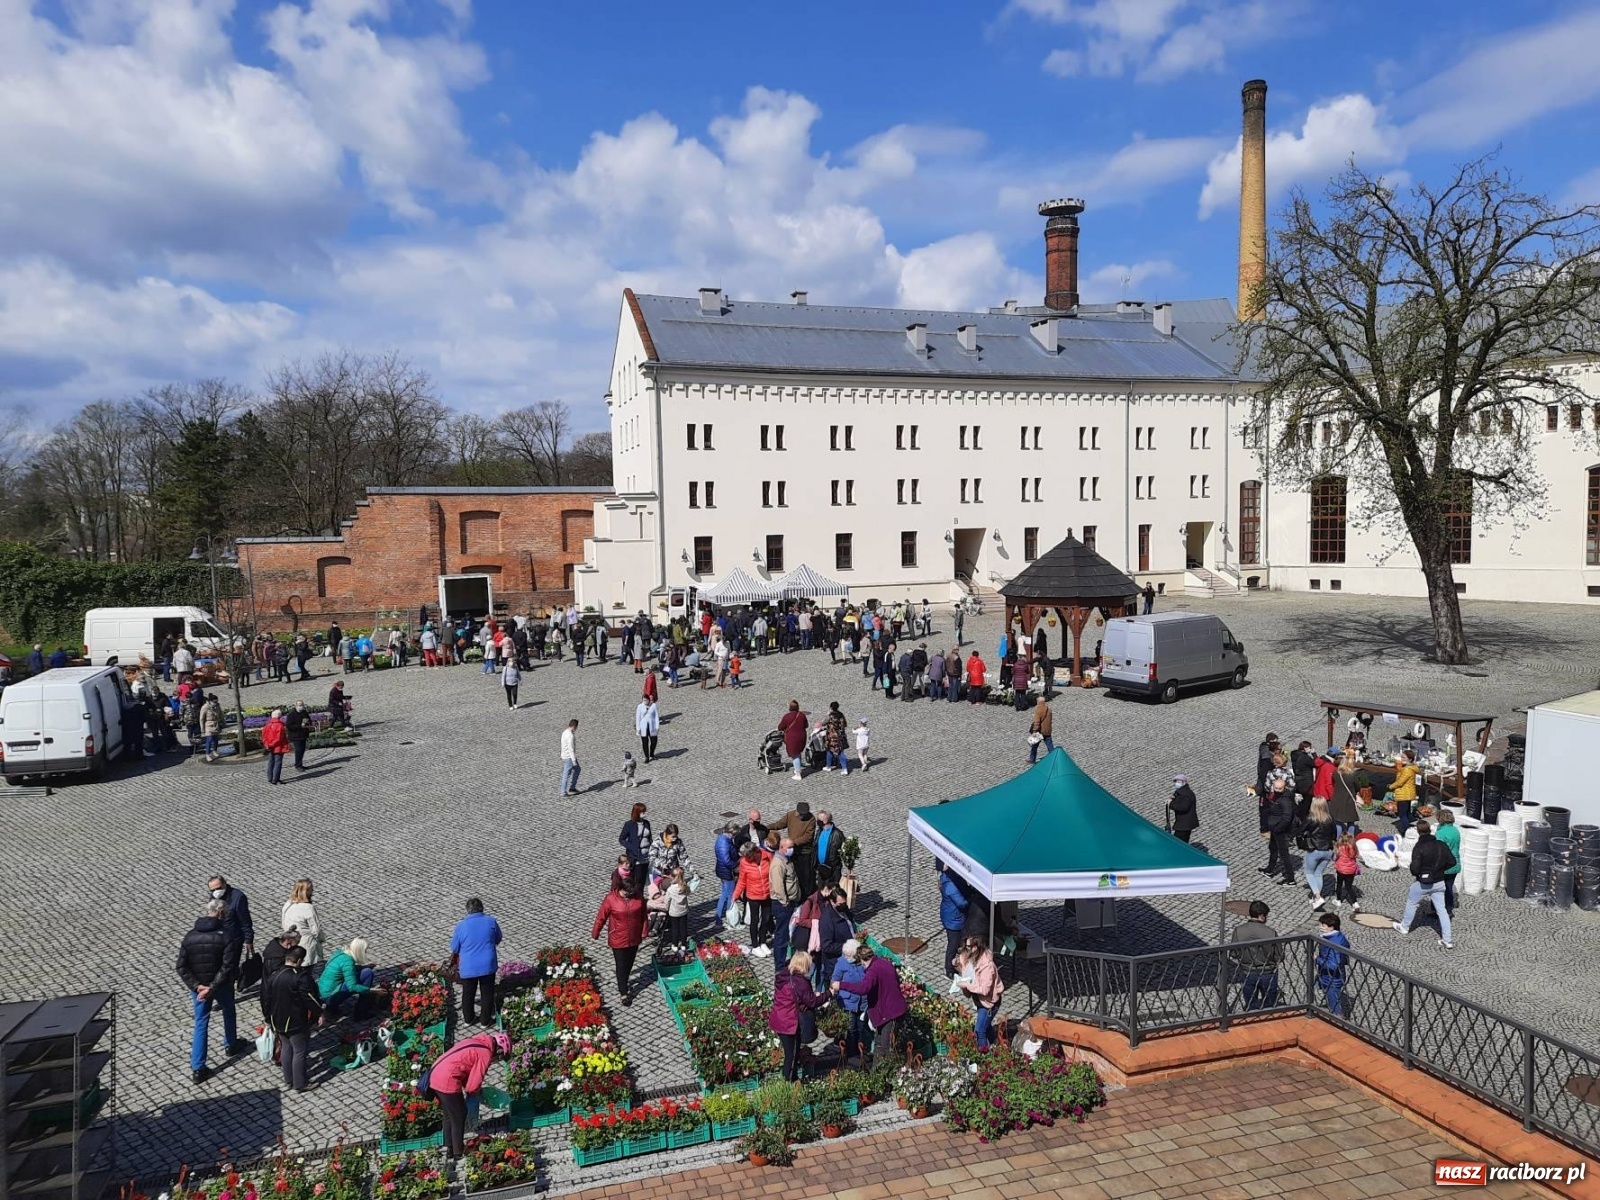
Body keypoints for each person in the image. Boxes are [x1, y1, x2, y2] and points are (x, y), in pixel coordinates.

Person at [177, 898, 252, 1083]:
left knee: (201, 1024)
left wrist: (197, 987)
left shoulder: (190, 936)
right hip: (221, 986)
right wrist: (212, 987)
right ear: (221, 913)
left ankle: (197, 1068)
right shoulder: (226, 936)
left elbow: (181, 967)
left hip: (199, 989)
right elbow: (227, 966)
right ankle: (231, 1043)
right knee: (229, 1011)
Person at [429, 1031, 512, 1162]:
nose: (497, 1060)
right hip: (447, 1079)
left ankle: (449, 1148)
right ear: (499, 1050)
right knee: (459, 1115)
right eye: (500, 1057)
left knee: (448, 1115)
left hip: (434, 1075)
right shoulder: (485, 1053)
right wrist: (477, 1093)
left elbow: (463, 1068)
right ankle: (458, 1152)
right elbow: (473, 1086)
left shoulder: (476, 1042)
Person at [831, 943, 908, 1067]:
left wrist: (841, 985)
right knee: (879, 1043)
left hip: (890, 1013)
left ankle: (886, 1075)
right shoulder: (883, 962)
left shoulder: (873, 970)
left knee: (885, 1046)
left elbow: (863, 988)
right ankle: (876, 1073)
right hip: (888, 1010)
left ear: (863, 960)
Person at [264, 945, 323, 1092]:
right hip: (295, 1021)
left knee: (286, 1047)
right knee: (299, 1051)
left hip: (277, 1019)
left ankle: (289, 1080)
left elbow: (266, 998)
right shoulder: (299, 977)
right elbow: (310, 998)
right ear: (299, 961)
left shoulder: (274, 975)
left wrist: (267, 1018)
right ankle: (300, 1083)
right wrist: (319, 1013)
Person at [1393, 819, 1455, 948]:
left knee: (1412, 903)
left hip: (1423, 882)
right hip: (1439, 882)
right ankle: (1447, 940)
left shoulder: (1419, 847)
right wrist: (1440, 870)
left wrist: (1420, 873)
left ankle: (1404, 927)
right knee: (1442, 910)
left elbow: (1414, 868)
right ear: (1430, 830)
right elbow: (1452, 862)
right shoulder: (1441, 845)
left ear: (1418, 832)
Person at [771, 950, 830, 1081]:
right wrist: (829, 993)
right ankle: (790, 1082)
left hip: (779, 1018)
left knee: (791, 1052)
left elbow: (795, 997)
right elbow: (813, 1002)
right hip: (789, 1023)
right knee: (791, 1055)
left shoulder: (784, 975)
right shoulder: (800, 982)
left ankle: (791, 1079)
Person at [592, 881, 648, 1004]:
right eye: (627, 892)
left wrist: (644, 931)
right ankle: (623, 992)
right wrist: (596, 932)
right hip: (618, 938)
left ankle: (624, 980)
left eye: (631, 892)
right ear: (621, 889)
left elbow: (643, 915)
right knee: (621, 965)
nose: (629, 894)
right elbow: (601, 916)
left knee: (629, 963)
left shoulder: (638, 897)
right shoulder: (611, 899)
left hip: (634, 937)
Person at [451, 897, 504, 1025]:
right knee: (487, 992)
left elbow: (454, 947)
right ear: (482, 908)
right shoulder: (491, 921)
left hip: (469, 966)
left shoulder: (461, 926)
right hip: (487, 964)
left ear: (467, 910)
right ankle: (485, 1020)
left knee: (468, 993)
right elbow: (498, 938)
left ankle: (469, 1019)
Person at [955, 935, 1005, 1049]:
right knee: (986, 1026)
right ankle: (995, 1044)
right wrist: (959, 965)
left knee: (979, 1030)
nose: (966, 949)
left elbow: (984, 990)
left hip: (988, 1003)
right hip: (980, 1000)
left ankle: (983, 1054)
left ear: (976, 948)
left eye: (968, 947)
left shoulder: (987, 966)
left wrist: (967, 985)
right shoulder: (973, 958)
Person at [1230, 900, 1281, 1011]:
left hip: (1247, 971)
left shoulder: (1238, 930)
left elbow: (1234, 953)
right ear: (1262, 916)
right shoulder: (1271, 932)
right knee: (1270, 1005)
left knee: (1250, 1005)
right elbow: (1280, 956)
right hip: (1268, 971)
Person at [831, 939, 870, 1065]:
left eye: (850, 955)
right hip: (848, 1002)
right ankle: (852, 1052)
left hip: (863, 1001)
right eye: (846, 955)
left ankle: (862, 1049)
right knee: (851, 1028)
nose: (848, 957)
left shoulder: (862, 962)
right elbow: (834, 980)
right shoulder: (841, 963)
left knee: (861, 1027)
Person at [318, 938, 377, 1018]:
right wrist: (372, 990)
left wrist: (362, 967)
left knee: (364, 970)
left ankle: (332, 1008)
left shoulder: (340, 953)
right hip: (330, 996)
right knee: (367, 973)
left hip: (322, 992)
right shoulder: (348, 961)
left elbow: (346, 969)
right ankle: (361, 1011)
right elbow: (352, 987)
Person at [208, 875, 255, 974]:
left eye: (219, 888)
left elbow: (245, 920)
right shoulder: (214, 896)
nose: (216, 892)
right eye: (213, 890)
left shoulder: (238, 897)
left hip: (233, 939)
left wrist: (248, 939)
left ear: (225, 884)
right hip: (217, 938)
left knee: (231, 966)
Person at [733, 842, 774, 956]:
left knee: (766, 919)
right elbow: (742, 880)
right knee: (754, 921)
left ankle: (762, 942)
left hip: (767, 894)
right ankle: (755, 945)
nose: (747, 859)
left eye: (749, 856)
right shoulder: (744, 863)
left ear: (755, 852)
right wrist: (735, 895)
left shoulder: (767, 857)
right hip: (753, 896)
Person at [769, 837, 802, 969]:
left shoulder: (786, 860)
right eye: (789, 847)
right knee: (781, 935)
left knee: (788, 932)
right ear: (782, 848)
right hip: (782, 904)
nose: (791, 850)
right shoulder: (778, 864)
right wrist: (785, 902)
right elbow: (778, 887)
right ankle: (780, 965)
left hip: (790, 902)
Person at [777, 800, 818, 896]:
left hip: (804, 853)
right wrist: (767, 827)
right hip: (792, 852)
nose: (802, 816)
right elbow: (779, 824)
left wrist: (793, 842)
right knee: (792, 874)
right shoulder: (790, 815)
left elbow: (808, 837)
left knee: (805, 877)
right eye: (801, 814)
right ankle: (795, 895)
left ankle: (805, 897)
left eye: (804, 814)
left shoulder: (811, 819)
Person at [1303, 796, 1337, 909]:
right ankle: (1316, 898)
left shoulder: (1310, 819)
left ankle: (1317, 897)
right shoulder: (1330, 819)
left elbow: (1299, 831)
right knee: (1318, 874)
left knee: (1309, 873)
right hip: (1328, 851)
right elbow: (1334, 835)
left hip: (1314, 850)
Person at [281, 878, 324, 967]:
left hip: (292, 944)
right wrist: (321, 939)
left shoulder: (288, 904)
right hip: (307, 944)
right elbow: (316, 931)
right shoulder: (308, 908)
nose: (313, 891)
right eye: (311, 889)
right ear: (306, 892)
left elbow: (284, 923)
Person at [258, 927, 301, 1015]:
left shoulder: (274, 948)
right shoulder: (277, 960)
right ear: (288, 943)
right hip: (276, 998)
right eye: (294, 945)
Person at [1261, 779, 1296, 885]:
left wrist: (1278, 828)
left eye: (1279, 788)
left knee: (1284, 853)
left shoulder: (1285, 800)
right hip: (1275, 828)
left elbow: (1287, 817)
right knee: (1272, 848)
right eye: (1276, 788)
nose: (1277, 790)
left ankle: (1290, 878)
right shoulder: (1278, 796)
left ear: (1284, 788)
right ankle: (1270, 869)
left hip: (1280, 830)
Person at [1315, 912, 1350, 1017]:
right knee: (1313, 987)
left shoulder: (1334, 942)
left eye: (1323, 925)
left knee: (1335, 1006)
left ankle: (1339, 1021)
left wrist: (1317, 959)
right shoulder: (1337, 936)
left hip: (1332, 979)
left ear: (1331, 927)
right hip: (1327, 976)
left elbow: (1333, 965)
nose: (1320, 927)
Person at [939, 864, 970, 976]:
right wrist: (971, 900)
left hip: (952, 915)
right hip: (953, 919)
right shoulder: (950, 886)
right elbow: (962, 903)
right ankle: (949, 969)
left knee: (959, 942)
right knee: (953, 943)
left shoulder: (948, 878)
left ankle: (960, 963)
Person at [619, 803, 653, 895]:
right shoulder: (629, 824)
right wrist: (632, 848)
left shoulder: (646, 823)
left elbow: (649, 837)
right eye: (642, 812)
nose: (644, 814)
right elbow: (622, 839)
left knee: (642, 881)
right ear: (637, 812)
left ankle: (640, 899)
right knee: (637, 880)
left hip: (646, 856)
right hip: (636, 857)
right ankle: (636, 899)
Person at [714, 822, 742, 928]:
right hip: (726, 872)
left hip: (723, 871)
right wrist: (736, 865)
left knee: (725, 894)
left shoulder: (724, 839)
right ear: (730, 832)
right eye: (734, 834)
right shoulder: (723, 842)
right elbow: (726, 861)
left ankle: (720, 918)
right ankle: (726, 918)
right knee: (728, 895)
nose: (734, 836)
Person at [1435, 807, 1462, 917]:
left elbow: (1439, 850)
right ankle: (1448, 908)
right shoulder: (1456, 830)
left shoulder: (1441, 833)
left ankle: (1438, 909)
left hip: (1444, 865)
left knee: (1437, 888)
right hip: (1455, 862)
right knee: (1449, 886)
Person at [778, 699, 809, 781]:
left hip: (792, 738)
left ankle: (798, 774)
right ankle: (797, 768)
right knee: (798, 752)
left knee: (795, 755)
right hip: (802, 736)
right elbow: (806, 725)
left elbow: (780, 727)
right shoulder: (802, 715)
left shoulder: (787, 716)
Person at [1393, 749, 1419, 835]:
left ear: (1410, 759)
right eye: (1402, 757)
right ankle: (1412, 826)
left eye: (1404, 757)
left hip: (1403, 794)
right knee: (1407, 812)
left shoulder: (1407, 770)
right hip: (1409, 793)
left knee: (1402, 814)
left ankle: (1406, 831)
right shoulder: (1411, 768)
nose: (1402, 759)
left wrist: (1390, 786)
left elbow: (1400, 782)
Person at [1333, 832, 1361, 912]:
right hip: (1351, 870)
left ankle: (1338, 900)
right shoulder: (1353, 848)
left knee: (1339, 884)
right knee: (1349, 887)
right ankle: (1355, 903)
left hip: (1341, 870)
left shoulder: (1339, 847)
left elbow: (1336, 856)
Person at [814, 810, 844, 888]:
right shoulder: (819, 831)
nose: (817, 821)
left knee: (833, 893)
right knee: (821, 891)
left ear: (826, 820)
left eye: (819, 819)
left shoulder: (837, 834)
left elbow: (844, 850)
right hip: (821, 869)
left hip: (833, 869)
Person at [664, 867, 691, 947]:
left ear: (672, 877)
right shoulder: (685, 886)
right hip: (683, 911)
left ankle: (675, 944)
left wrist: (667, 908)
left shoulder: (670, 889)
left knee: (675, 929)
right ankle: (683, 944)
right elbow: (688, 893)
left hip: (674, 912)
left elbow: (667, 901)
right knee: (683, 928)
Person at [1168, 775, 1199, 843]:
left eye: (1179, 782)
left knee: (1178, 843)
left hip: (1184, 825)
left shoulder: (1185, 794)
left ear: (1184, 783)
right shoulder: (1182, 792)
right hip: (1184, 824)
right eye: (1176, 782)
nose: (1176, 783)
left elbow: (1182, 808)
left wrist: (1170, 804)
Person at [262, 708, 289, 785]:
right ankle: (275, 779)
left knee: (271, 762)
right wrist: (271, 745)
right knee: (278, 763)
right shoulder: (280, 725)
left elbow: (264, 737)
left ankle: (270, 778)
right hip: (278, 747)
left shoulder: (267, 725)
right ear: (279, 716)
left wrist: (267, 745)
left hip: (269, 747)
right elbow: (278, 738)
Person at [822, 702, 849, 774]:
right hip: (839, 735)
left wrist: (827, 715)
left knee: (829, 750)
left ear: (831, 707)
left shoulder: (830, 716)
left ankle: (829, 766)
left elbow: (823, 723)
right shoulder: (841, 714)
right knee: (840, 751)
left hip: (831, 736)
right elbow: (845, 724)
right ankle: (843, 768)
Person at [284, 700, 311, 770]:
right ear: (296, 706)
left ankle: (300, 764)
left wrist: (308, 722)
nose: (301, 707)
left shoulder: (304, 712)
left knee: (302, 750)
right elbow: (289, 726)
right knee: (298, 750)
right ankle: (298, 765)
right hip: (295, 736)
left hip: (303, 735)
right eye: (299, 705)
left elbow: (309, 720)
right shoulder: (291, 714)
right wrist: (300, 726)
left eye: (302, 705)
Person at [1028, 695, 1055, 762]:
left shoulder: (1038, 710)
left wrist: (1034, 731)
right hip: (1047, 731)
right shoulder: (1049, 709)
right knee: (1050, 747)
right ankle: (1054, 759)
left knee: (1034, 746)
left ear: (1038, 702)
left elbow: (1037, 722)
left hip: (1039, 732)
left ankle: (1032, 759)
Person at [199, 694, 224, 762]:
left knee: (216, 739)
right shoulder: (205, 707)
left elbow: (221, 713)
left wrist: (223, 722)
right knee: (209, 740)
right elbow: (201, 719)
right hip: (208, 725)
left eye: (216, 702)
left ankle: (214, 751)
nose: (215, 703)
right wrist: (202, 729)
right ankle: (207, 754)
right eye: (214, 702)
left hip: (216, 724)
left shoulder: (217, 705)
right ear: (210, 701)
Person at [560, 719, 581, 796]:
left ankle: (572, 787)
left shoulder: (565, 732)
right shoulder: (570, 735)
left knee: (578, 769)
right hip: (569, 757)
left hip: (565, 756)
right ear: (575, 726)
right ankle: (563, 791)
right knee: (566, 774)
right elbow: (571, 749)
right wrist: (574, 761)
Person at [636, 696, 659, 763]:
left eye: (646, 700)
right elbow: (638, 718)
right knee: (645, 743)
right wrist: (638, 728)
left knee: (654, 741)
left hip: (652, 726)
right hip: (643, 727)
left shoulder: (653, 706)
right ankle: (647, 757)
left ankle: (652, 753)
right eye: (644, 700)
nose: (645, 701)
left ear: (649, 700)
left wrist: (657, 726)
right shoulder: (640, 706)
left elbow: (656, 716)